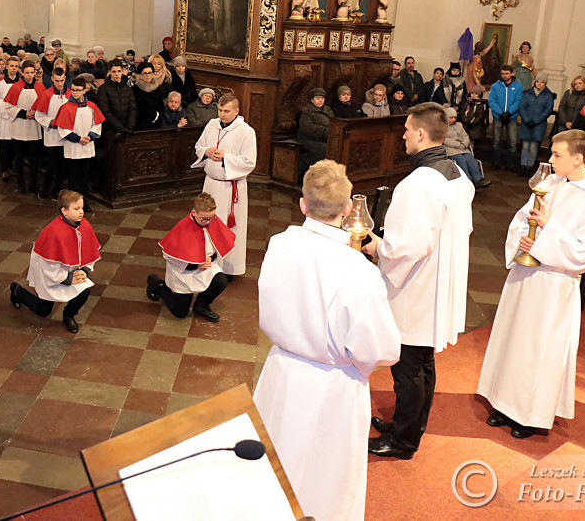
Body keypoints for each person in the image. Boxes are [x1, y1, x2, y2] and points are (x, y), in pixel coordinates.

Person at [254, 161, 401, 520]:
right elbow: (382, 348)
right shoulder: (359, 271)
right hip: (334, 384)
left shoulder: (279, 244)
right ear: (348, 209)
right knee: (325, 480)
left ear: (302, 205)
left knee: (273, 467)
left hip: (282, 372)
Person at [477, 130, 585, 438]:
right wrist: (525, 238)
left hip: (555, 283)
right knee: (515, 339)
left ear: (578, 159)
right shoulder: (548, 183)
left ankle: (530, 414)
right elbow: (522, 219)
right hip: (526, 275)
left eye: (557, 155)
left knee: (539, 348)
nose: (550, 160)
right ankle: (504, 403)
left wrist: (546, 234)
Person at [362, 103, 474, 459]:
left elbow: (406, 246)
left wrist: (376, 244)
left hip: (416, 286)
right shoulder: (455, 172)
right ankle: (408, 425)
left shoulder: (419, 183)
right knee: (423, 363)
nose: (404, 135)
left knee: (408, 369)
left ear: (421, 134)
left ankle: (403, 441)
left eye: (407, 130)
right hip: (436, 281)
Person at [9, 190, 101, 334]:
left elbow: (89, 251)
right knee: (43, 310)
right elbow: (48, 265)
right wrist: (68, 279)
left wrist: (83, 271)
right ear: (64, 211)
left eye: (82, 208)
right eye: (76, 209)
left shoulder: (84, 225)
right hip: (51, 273)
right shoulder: (54, 232)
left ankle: (69, 315)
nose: (81, 212)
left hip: (70, 269)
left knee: (84, 290)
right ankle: (16, 291)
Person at [192, 95, 256, 276]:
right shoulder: (212, 124)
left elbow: (249, 162)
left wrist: (225, 157)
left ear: (237, 111)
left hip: (230, 188)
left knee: (227, 228)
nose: (222, 115)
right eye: (220, 110)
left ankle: (227, 268)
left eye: (226, 111)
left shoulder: (246, 131)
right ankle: (207, 263)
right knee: (206, 224)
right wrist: (207, 151)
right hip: (211, 184)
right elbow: (199, 146)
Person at [146, 192, 234, 322]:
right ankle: (157, 284)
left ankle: (201, 305)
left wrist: (212, 257)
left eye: (211, 218)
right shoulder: (182, 227)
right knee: (180, 312)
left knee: (221, 281)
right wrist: (195, 265)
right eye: (204, 219)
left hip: (205, 267)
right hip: (185, 271)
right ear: (194, 213)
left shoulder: (212, 221)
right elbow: (169, 256)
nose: (208, 222)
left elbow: (217, 244)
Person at [54, 75, 104, 209]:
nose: (75, 92)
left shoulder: (92, 106)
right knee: (72, 179)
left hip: (87, 147)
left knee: (84, 177)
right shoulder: (65, 107)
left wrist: (90, 136)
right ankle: (71, 204)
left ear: (84, 90)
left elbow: (97, 124)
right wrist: (77, 138)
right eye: (73, 90)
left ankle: (83, 202)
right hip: (72, 147)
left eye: (78, 90)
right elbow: (62, 128)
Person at [1, 61, 47, 193]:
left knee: (34, 159)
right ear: (22, 73)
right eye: (27, 73)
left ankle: (33, 184)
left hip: (34, 127)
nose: (29, 75)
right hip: (19, 126)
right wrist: (23, 113)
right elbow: (8, 107)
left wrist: (36, 113)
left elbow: (44, 105)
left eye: (32, 72)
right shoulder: (16, 87)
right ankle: (20, 184)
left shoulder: (40, 87)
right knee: (19, 158)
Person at [32, 67, 71, 201]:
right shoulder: (47, 95)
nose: (59, 84)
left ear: (65, 78)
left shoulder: (70, 94)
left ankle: (57, 191)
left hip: (66, 137)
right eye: (57, 81)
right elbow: (39, 115)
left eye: (62, 80)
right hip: (52, 136)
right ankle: (45, 190)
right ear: (52, 79)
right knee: (52, 165)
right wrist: (52, 122)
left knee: (63, 166)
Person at [0, 55, 21, 181]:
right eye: (11, 66)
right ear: (6, 67)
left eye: (16, 66)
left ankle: (15, 168)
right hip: (4, 118)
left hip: (17, 118)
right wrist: (6, 106)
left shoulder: (21, 83)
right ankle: (5, 169)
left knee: (16, 145)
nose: (13, 68)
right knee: (5, 145)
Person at [517, 73, 556, 177]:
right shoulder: (527, 93)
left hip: (539, 124)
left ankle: (530, 166)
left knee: (533, 147)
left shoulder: (548, 95)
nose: (539, 84)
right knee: (525, 146)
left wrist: (535, 120)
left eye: (542, 82)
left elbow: (547, 111)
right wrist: (526, 119)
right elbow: (522, 107)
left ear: (545, 84)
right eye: (538, 81)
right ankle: (523, 165)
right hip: (526, 123)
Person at [444, 107, 491, 189]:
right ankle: (468, 181)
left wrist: (464, 144)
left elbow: (465, 136)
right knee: (461, 159)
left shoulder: (459, 125)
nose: (453, 120)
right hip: (451, 149)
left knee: (470, 158)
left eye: (454, 117)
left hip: (463, 148)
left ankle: (478, 179)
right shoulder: (442, 127)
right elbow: (444, 139)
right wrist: (458, 145)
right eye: (451, 118)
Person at [488, 65, 523, 172]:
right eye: (503, 73)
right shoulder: (495, 86)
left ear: (512, 74)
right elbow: (492, 101)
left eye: (507, 73)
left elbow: (518, 100)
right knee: (496, 140)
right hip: (498, 116)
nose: (505, 76)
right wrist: (500, 112)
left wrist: (509, 112)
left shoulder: (518, 86)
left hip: (511, 117)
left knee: (512, 141)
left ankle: (510, 163)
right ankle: (496, 162)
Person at [93, 62, 136, 135]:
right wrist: (120, 127)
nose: (117, 74)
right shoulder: (103, 88)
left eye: (119, 71)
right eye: (114, 71)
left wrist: (130, 126)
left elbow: (133, 108)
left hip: (127, 129)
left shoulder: (127, 88)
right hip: (110, 130)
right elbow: (105, 111)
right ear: (109, 72)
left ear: (122, 72)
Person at [297, 87, 332, 175]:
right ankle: (316, 174)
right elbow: (307, 128)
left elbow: (334, 123)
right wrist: (325, 131)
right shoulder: (307, 111)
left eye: (322, 98)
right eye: (318, 98)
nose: (320, 100)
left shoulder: (328, 110)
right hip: (309, 140)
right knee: (324, 149)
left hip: (326, 138)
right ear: (312, 100)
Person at [132, 63, 166, 129]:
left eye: (150, 73)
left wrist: (156, 117)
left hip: (156, 124)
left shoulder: (156, 88)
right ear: (140, 75)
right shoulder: (135, 89)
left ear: (153, 74)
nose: (148, 75)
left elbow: (161, 106)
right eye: (145, 73)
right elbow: (135, 108)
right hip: (139, 125)